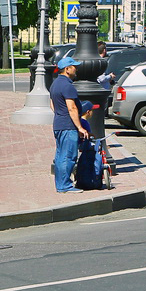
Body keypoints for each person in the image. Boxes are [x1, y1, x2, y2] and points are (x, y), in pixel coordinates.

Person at [50, 56, 90, 192]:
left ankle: (60, 184)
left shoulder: (55, 84)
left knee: (60, 155)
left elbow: (52, 105)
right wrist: (80, 127)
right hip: (68, 126)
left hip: (58, 124)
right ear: (67, 69)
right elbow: (72, 108)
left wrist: (60, 115)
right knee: (68, 156)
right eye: (74, 67)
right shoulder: (68, 86)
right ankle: (65, 185)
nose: (76, 69)